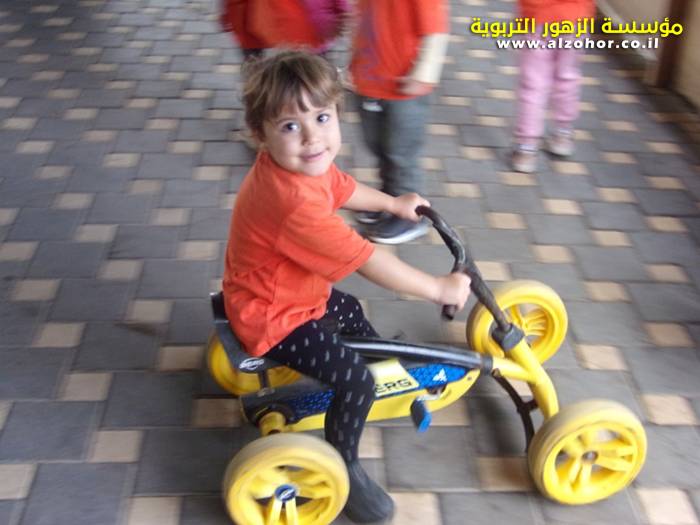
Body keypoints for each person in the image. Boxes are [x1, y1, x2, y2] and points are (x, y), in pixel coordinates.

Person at [222, 51, 471, 523]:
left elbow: (342, 187)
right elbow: (369, 260)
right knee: (354, 379)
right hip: (275, 317)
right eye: (290, 126)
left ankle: (382, 365)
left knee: (350, 310)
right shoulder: (293, 204)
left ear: (337, 114)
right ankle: (345, 467)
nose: (312, 137)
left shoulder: (299, 168)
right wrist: (438, 288)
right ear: (260, 135)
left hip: (277, 291)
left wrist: (392, 204)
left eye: (321, 117)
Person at [350, 0, 450, 244]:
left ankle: (413, 216)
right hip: (370, 82)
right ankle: (391, 200)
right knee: (379, 147)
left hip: (404, 90)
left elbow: (436, 30)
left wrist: (424, 73)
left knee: (401, 153)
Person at [511, 0, 595, 173]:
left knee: (533, 85)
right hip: (576, 18)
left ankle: (526, 149)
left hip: (538, 17)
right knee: (567, 77)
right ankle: (563, 135)